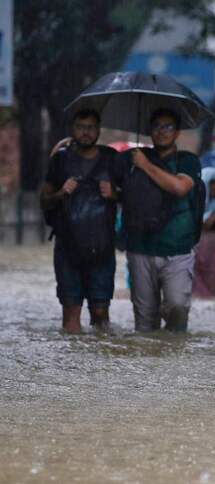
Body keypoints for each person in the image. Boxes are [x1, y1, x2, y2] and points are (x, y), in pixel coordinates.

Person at [115, 108, 202, 332]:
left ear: (177, 133)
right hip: (140, 247)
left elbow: (180, 187)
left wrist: (145, 165)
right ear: (149, 131)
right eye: (156, 127)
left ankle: (173, 356)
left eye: (167, 127)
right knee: (144, 321)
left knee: (177, 307)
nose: (161, 132)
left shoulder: (187, 161)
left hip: (178, 248)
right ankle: (149, 364)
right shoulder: (131, 159)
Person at [40, 109, 118, 333]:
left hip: (102, 245)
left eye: (91, 127)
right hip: (67, 245)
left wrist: (114, 194)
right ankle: (73, 365)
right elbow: (44, 200)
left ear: (99, 130)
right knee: (71, 314)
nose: (86, 132)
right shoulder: (61, 159)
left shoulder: (112, 159)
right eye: (81, 127)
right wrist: (61, 193)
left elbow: (129, 196)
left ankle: (100, 364)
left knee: (101, 313)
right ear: (72, 129)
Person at [193, 167, 215, 298]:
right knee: (193, 273)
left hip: (213, 245)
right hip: (195, 244)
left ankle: (211, 300)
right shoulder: (194, 200)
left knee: (213, 273)